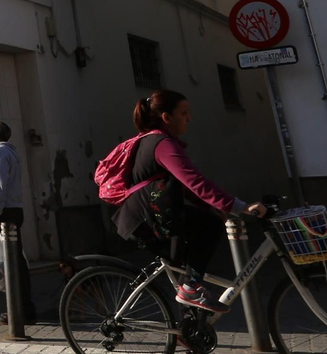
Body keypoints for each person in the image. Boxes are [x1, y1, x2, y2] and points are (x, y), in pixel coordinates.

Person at [113, 91, 265, 312]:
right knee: (209, 228)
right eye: (184, 113)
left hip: (150, 217)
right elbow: (193, 180)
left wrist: (214, 206)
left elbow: (182, 186)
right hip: (147, 220)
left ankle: (190, 329)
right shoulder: (162, 144)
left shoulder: (155, 141)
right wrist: (238, 206)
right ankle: (191, 288)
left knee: (194, 260)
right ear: (166, 117)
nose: (189, 118)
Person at [0, 120, 36, 324]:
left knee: (11, 262)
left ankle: (19, 310)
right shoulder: (12, 152)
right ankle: (24, 308)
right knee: (15, 260)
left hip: (6, 212)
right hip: (13, 209)